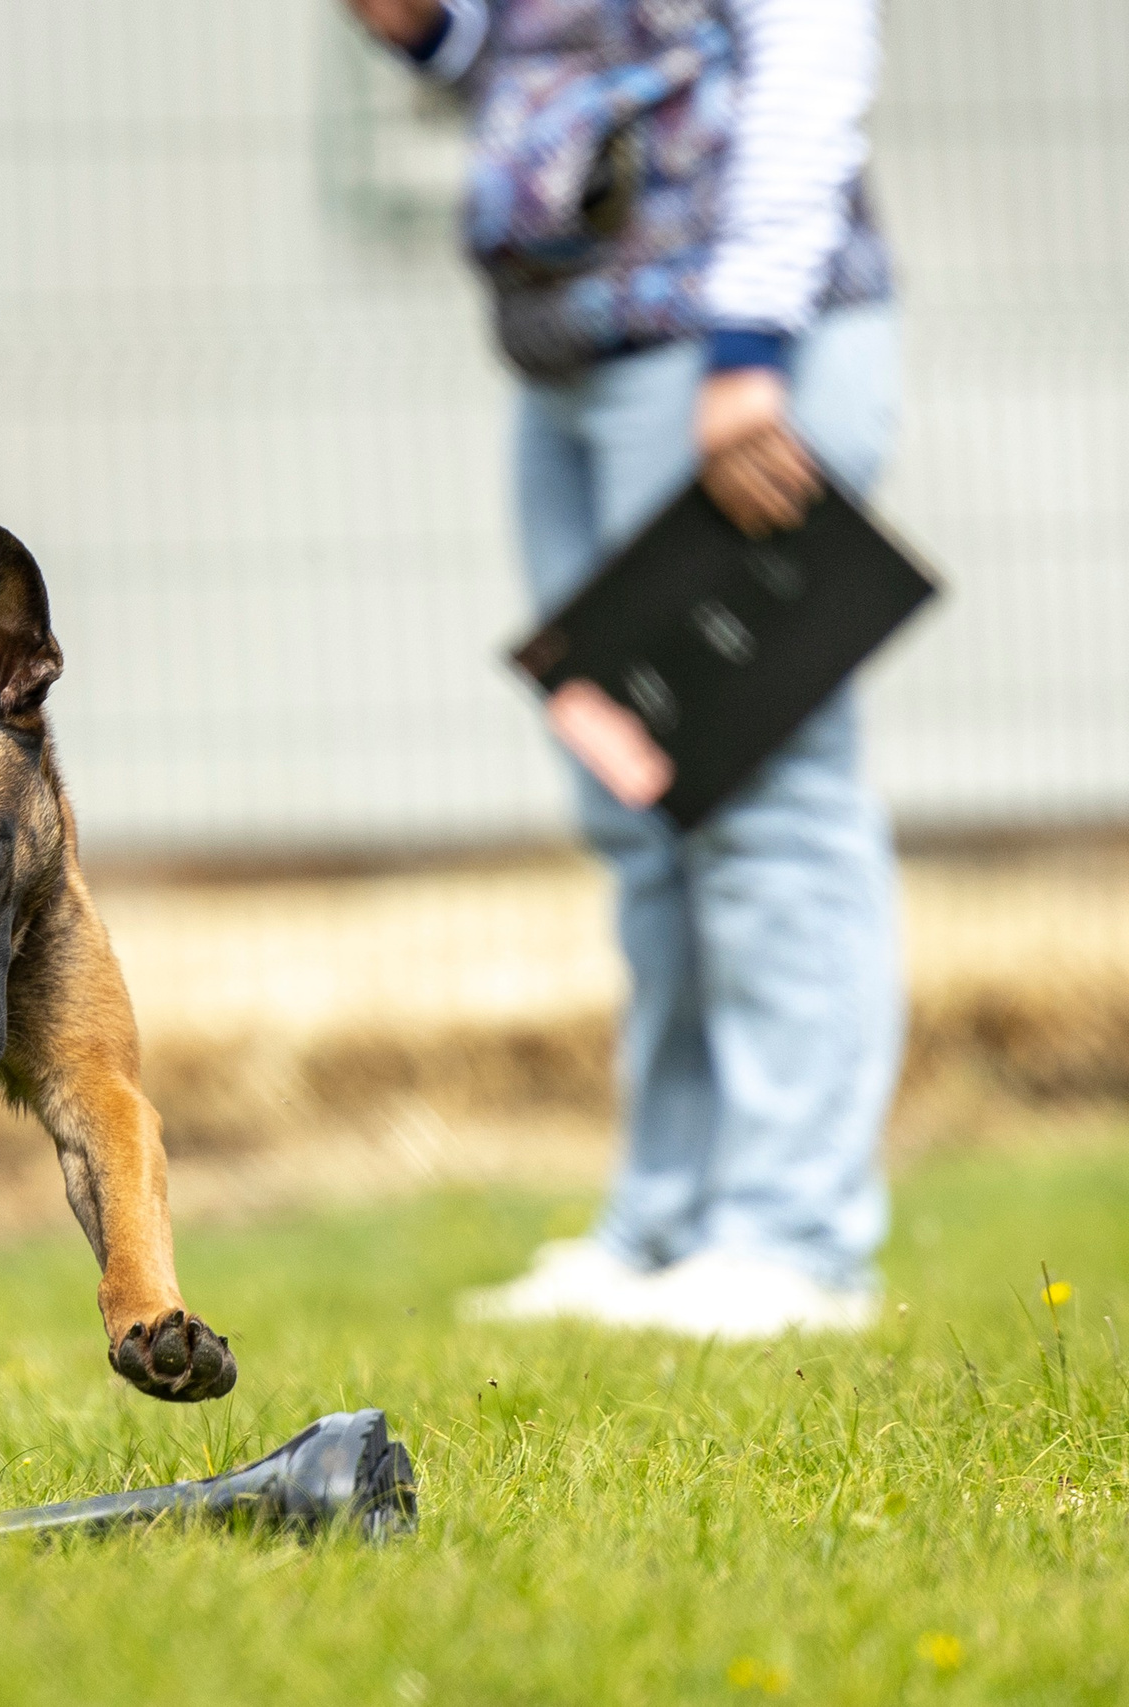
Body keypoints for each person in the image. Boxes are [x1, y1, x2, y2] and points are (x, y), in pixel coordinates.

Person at [342, 0, 903, 1336]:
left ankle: (797, 1237)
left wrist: (752, 345)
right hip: (573, 360)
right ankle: (668, 1226)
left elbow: (811, 52)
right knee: (639, 806)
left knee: (761, 794)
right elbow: (575, 66)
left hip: (730, 359)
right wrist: (435, 36)